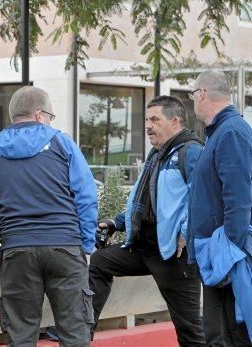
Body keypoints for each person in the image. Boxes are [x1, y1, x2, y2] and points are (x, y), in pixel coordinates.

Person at [0, 86, 98, 346]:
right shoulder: (62, 144)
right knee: (75, 332)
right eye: (50, 115)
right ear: (39, 114)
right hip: (65, 247)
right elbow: (86, 197)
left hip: (17, 251)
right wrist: (85, 244)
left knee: (21, 335)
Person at [89, 96, 206, 346]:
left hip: (174, 256)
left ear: (175, 121)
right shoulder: (157, 154)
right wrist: (116, 222)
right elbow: (143, 201)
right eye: (147, 119)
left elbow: (202, 200)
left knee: (189, 330)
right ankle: (79, 332)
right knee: (99, 262)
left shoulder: (191, 152)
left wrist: (185, 234)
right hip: (142, 249)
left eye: (155, 119)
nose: (148, 125)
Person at [189, 70, 252, 346]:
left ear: (202, 93)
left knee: (227, 336)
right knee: (218, 335)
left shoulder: (231, 132)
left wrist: (229, 252)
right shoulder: (223, 132)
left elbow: (238, 198)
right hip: (218, 254)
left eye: (193, 93)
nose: (193, 99)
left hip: (225, 257)